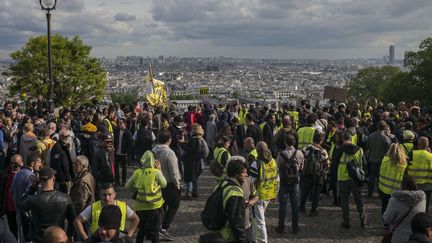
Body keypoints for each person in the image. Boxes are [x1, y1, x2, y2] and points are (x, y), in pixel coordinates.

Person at [17, 166, 76, 243]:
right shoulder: (65, 198)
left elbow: (19, 203)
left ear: (40, 181)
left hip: (39, 239)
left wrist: (33, 187)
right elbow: (73, 221)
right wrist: (67, 236)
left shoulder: (33, 199)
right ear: (54, 179)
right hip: (57, 239)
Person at [125, 150, 167, 243]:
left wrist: (138, 186)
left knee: (141, 230)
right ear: (153, 161)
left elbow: (127, 187)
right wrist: (159, 169)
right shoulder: (156, 172)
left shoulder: (137, 172)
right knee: (155, 232)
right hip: (154, 207)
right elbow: (164, 184)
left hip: (140, 208)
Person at [74, 183, 139, 240]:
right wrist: (85, 238)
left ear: (114, 194)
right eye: (104, 195)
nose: (107, 198)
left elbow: (135, 219)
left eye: (109, 194)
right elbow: (77, 221)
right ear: (100, 195)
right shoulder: (93, 207)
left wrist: (128, 236)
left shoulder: (123, 207)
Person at [152, 129, 181, 241]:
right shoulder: (169, 153)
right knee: (174, 205)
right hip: (169, 184)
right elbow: (174, 171)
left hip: (157, 182)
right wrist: (177, 184)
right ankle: (164, 227)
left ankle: (158, 226)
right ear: (169, 140)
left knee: (162, 206)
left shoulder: (153, 150)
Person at [249, 142, 278, 243]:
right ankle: (254, 238)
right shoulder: (274, 161)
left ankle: (262, 240)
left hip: (258, 197)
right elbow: (277, 179)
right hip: (269, 195)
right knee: (255, 219)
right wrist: (275, 193)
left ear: (257, 151)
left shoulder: (256, 164)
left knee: (259, 221)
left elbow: (251, 182)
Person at [337, 131, 367, 229]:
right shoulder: (360, 150)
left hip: (342, 178)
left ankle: (346, 221)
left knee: (344, 201)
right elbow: (364, 164)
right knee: (359, 200)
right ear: (351, 138)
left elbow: (334, 166)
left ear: (342, 139)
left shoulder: (339, 150)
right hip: (356, 178)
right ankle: (363, 220)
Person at [275, 134, 304, 234]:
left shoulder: (281, 154)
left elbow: (277, 167)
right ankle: (295, 227)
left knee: (282, 205)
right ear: (294, 142)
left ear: (285, 142)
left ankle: (281, 227)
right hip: (295, 182)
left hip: (284, 182)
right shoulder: (300, 153)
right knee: (295, 205)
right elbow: (301, 168)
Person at [383, 175, 426, 243]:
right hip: (416, 237)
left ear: (402, 186)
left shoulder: (395, 201)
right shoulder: (422, 200)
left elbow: (387, 219)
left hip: (399, 237)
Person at [12, 153, 42, 243]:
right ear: (33, 163)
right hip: (27, 214)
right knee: (28, 238)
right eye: (39, 162)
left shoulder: (17, 174)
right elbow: (32, 196)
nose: (40, 165)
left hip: (17, 210)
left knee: (21, 237)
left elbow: (12, 192)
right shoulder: (31, 176)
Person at [299, 132, 329, 217]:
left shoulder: (307, 148)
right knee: (316, 193)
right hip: (318, 175)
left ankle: (301, 207)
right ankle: (313, 210)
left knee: (304, 191)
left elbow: (301, 158)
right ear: (321, 141)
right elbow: (326, 164)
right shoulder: (323, 151)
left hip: (307, 174)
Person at [219, 158, 248, 242]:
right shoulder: (235, 192)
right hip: (229, 235)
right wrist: (243, 239)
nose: (246, 175)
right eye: (244, 172)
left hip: (220, 231)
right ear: (236, 174)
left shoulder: (223, 183)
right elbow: (236, 221)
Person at [379, 143, 408, 215]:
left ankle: (385, 222)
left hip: (384, 188)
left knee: (385, 206)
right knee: (396, 208)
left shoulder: (385, 160)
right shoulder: (404, 163)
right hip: (397, 189)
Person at [183, 124, 209, 199]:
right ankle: (195, 191)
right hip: (199, 161)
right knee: (195, 177)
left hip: (192, 161)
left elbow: (190, 151)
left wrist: (183, 144)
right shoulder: (201, 139)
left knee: (190, 177)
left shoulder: (194, 140)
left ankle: (189, 192)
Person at [366, 121, 392, 197]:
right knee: (381, 178)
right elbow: (389, 150)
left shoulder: (370, 136)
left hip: (372, 159)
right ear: (384, 128)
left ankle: (370, 192)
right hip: (382, 160)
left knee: (372, 177)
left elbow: (367, 146)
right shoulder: (386, 138)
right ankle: (380, 193)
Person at [408, 137, 432, 212]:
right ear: (427, 145)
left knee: (412, 205)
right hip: (427, 185)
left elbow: (405, 167)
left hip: (413, 184)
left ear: (418, 145)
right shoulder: (430, 156)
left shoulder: (412, 153)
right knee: (425, 205)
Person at [2, 154, 23, 238]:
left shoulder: (25, 175)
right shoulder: (5, 175)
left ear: (21, 163)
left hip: (21, 208)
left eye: (16, 163)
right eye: (12, 163)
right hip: (9, 208)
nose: (13, 165)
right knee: (12, 231)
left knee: (22, 231)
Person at [50, 129, 74, 193]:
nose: (66, 138)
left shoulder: (65, 145)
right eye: (65, 136)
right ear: (60, 136)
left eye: (67, 136)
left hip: (67, 176)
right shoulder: (57, 147)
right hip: (62, 179)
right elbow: (56, 164)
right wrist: (62, 179)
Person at [113, 118, 132, 186]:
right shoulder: (117, 131)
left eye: (121, 123)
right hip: (117, 152)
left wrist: (128, 153)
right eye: (119, 123)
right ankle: (117, 181)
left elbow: (130, 144)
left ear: (124, 124)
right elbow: (114, 140)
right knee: (116, 167)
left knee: (124, 168)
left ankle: (124, 181)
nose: (119, 124)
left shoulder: (128, 132)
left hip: (124, 153)